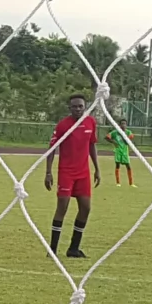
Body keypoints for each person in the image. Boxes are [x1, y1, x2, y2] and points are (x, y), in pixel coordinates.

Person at [45, 94, 101, 258]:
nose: (78, 109)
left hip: (83, 173)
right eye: (74, 106)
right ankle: (52, 250)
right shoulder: (63, 125)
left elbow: (91, 146)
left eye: (80, 106)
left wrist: (97, 169)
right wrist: (48, 172)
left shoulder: (91, 122)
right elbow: (51, 149)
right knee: (62, 207)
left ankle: (73, 248)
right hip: (66, 172)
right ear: (69, 108)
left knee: (86, 208)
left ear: (85, 107)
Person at [109, 117, 135, 185]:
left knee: (128, 166)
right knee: (117, 165)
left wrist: (123, 135)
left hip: (125, 151)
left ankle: (131, 183)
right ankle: (118, 183)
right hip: (118, 151)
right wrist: (113, 142)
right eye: (122, 124)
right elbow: (107, 137)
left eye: (125, 124)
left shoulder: (128, 132)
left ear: (126, 125)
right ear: (119, 125)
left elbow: (127, 142)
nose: (123, 125)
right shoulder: (115, 132)